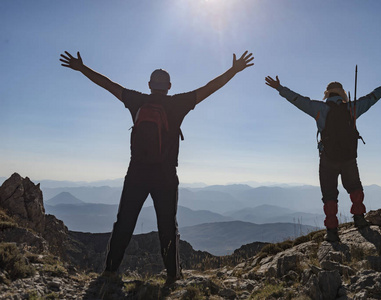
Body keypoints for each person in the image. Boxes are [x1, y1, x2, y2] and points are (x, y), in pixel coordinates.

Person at [60, 50, 254, 283]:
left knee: (124, 222)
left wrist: (82, 68)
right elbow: (209, 88)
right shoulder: (177, 103)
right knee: (167, 226)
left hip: (136, 173)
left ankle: (110, 271)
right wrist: (234, 70)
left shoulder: (136, 100)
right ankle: (173, 276)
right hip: (165, 176)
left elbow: (108, 85)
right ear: (169, 86)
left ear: (149, 84)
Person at [265, 71, 381, 242]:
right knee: (355, 187)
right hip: (349, 158)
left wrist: (280, 88)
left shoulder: (319, 109)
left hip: (328, 158)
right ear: (342, 93)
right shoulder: (352, 108)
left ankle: (332, 230)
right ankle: (359, 218)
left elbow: (298, 100)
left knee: (329, 194)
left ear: (327, 95)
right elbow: (372, 97)